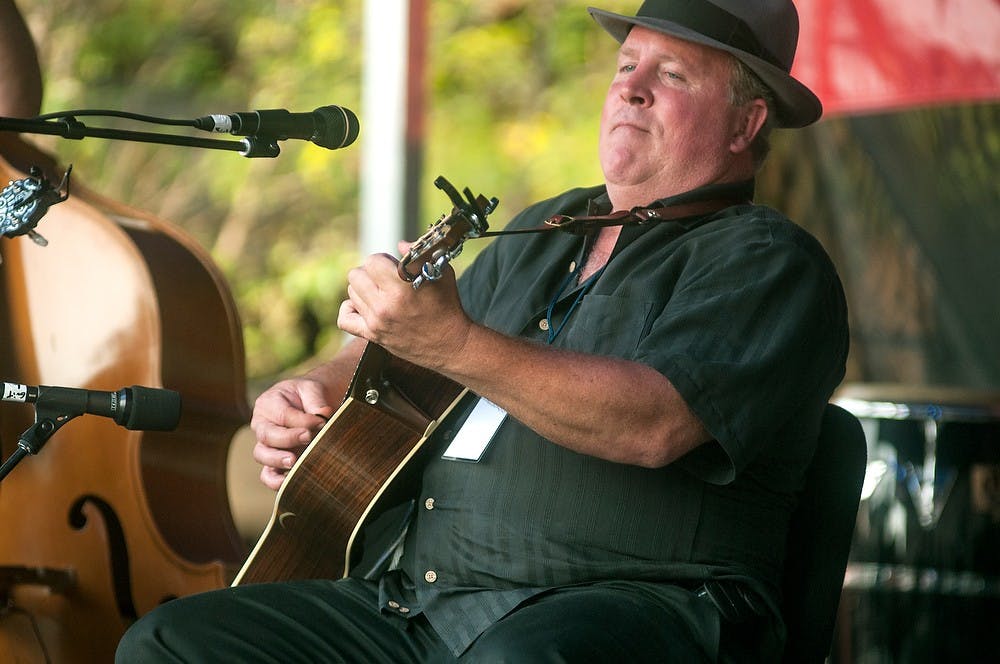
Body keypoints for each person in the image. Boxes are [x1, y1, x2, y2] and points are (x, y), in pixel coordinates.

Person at [117, 1, 848, 661]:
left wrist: (456, 343)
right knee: (172, 644)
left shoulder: (768, 261)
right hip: (423, 608)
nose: (631, 86)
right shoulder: (544, 227)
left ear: (747, 124)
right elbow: (413, 349)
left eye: (674, 75)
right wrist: (316, 386)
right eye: (627, 64)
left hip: (638, 606)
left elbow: (654, 423)